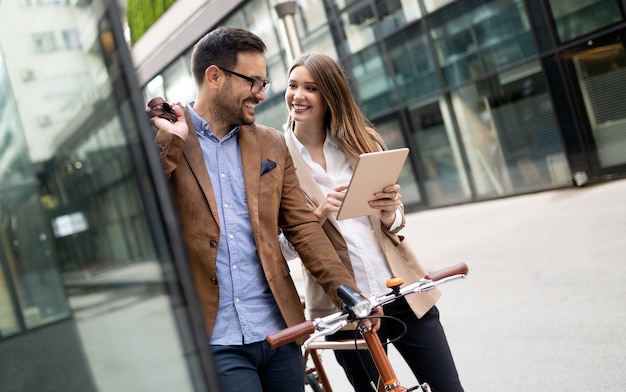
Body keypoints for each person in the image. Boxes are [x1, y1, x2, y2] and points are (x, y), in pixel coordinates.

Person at [147, 28, 380, 392]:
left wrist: (347, 291)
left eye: (264, 81)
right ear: (215, 77)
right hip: (214, 337)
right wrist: (169, 141)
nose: (264, 93)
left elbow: (302, 228)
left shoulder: (271, 143)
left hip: (279, 332)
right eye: (253, 81)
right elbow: (144, 209)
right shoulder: (170, 136)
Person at [282, 52, 464, 392]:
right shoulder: (276, 158)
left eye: (311, 88)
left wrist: (389, 212)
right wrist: (319, 214)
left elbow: (394, 223)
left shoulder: (361, 140)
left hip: (401, 291)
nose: (298, 95)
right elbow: (280, 248)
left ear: (330, 96)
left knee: (448, 388)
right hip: (346, 307)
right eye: (293, 86)